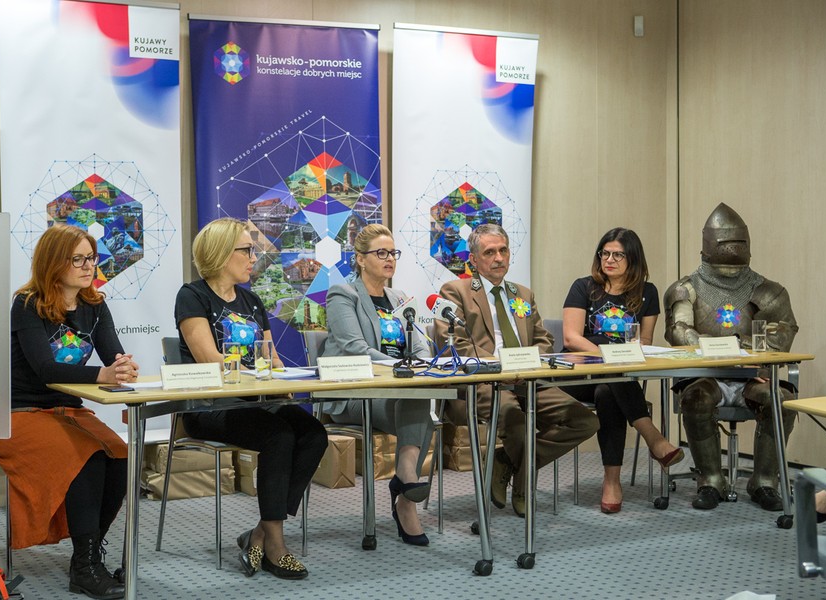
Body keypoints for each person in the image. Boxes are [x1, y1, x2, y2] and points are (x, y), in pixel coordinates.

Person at [0, 225, 137, 600]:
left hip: (66, 410)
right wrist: (103, 374)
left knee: (120, 457)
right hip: (21, 413)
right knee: (86, 457)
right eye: (79, 259)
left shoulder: (95, 305)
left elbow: (112, 355)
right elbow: (46, 370)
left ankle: (84, 558)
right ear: (55, 263)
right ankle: (86, 569)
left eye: (92, 258)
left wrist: (123, 367)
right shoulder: (27, 303)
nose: (89, 266)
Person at [175, 218, 327, 579]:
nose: (253, 257)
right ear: (221, 253)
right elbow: (209, 360)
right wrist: (259, 372)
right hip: (210, 406)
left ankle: (259, 531)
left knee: (313, 433)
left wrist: (278, 377)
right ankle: (275, 543)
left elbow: (271, 360)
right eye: (246, 250)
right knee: (279, 435)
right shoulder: (192, 296)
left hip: (256, 401)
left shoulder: (252, 299)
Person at [437, 223, 599, 517]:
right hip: (484, 383)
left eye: (503, 250)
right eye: (489, 252)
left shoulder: (522, 293)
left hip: (527, 379)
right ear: (473, 260)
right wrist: (502, 366)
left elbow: (544, 340)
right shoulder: (455, 291)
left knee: (584, 422)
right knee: (516, 423)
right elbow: (456, 344)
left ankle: (506, 463)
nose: (498, 258)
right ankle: (524, 487)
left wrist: (527, 363)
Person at [664, 202, 799, 511]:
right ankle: (710, 479)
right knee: (696, 399)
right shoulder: (686, 289)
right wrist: (723, 348)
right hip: (705, 376)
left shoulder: (768, 290)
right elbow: (679, 331)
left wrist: (743, 349)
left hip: (753, 377)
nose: (731, 248)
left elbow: (782, 334)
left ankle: (765, 481)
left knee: (779, 401)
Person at [322, 224, 434, 546]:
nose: (389, 259)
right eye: (381, 253)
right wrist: (401, 368)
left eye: (393, 253)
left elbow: (420, 344)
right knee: (415, 404)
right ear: (360, 259)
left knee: (416, 400)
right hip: (354, 395)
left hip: (397, 394)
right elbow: (355, 347)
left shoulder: (399, 298)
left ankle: (405, 486)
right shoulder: (344, 294)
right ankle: (406, 488)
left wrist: (419, 364)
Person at [562, 227, 684, 514]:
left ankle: (611, 482)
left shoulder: (647, 293)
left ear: (633, 259)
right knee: (612, 373)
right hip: (577, 376)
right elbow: (571, 338)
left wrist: (616, 358)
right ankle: (654, 439)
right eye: (605, 253)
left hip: (616, 379)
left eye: (618, 254)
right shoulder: (583, 287)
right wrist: (610, 353)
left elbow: (643, 342)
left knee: (608, 389)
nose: (610, 260)